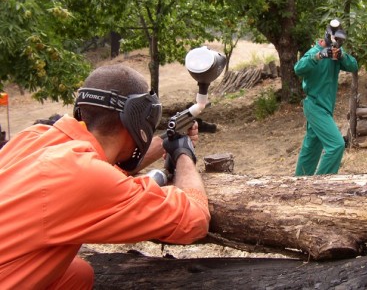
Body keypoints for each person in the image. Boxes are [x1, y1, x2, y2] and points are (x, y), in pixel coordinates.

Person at [0, 64, 210, 289]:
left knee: (77, 275)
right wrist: (183, 153)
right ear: (138, 118)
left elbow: (97, 170)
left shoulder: (33, 138)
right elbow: (193, 220)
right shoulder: (83, 176)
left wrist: (165, 142)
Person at [294, 19, 358, 176]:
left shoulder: (336, 55)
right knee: (336, 145)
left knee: (311, 146)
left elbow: (354, 66)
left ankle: (298, 182)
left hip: (326, 107)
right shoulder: (313, 53)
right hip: (314, 105)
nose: (338, 44)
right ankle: (320, 184)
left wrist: (342, 56)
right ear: (328, 37)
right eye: (337, 40)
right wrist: (318, 56)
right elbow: (298, 69)